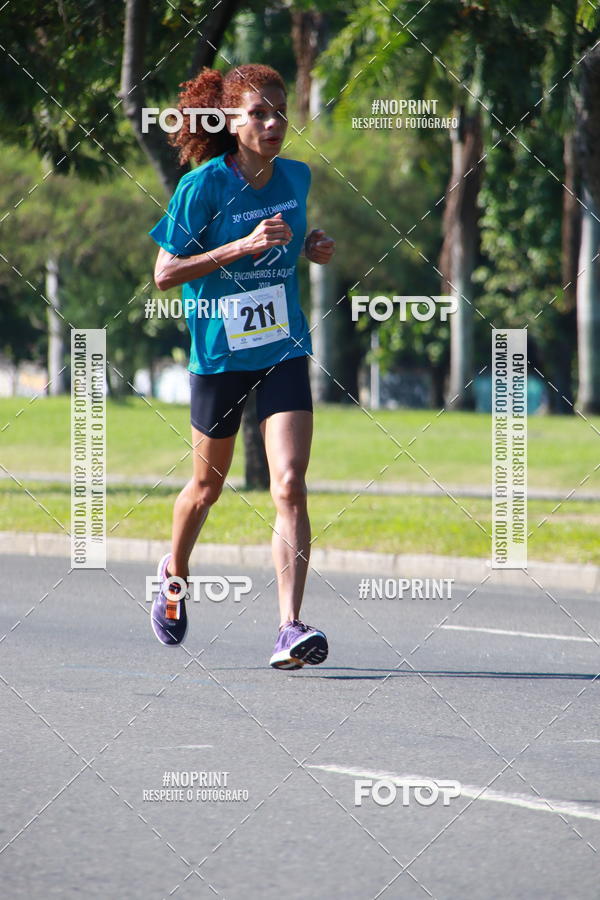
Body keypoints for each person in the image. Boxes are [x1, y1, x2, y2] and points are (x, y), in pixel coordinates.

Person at [148, 63, 335, 669]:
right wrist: (242, 245)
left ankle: (289, 627)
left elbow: (290, 237)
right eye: (258, 114)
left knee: (290, 484)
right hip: (220, 353)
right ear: (231, 121)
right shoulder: (202, 186)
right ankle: (174, 573)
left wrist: (310, 246)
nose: (273, 124)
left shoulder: (297, 176)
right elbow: (165, 272)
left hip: (283, 346)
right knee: (208, 487)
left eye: (279, 112)